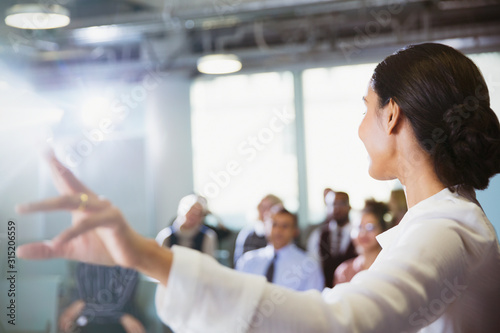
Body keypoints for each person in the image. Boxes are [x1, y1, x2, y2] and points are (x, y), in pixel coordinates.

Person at [15, 43, 500, 332]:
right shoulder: (444, 222)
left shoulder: (443, 232)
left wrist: (148, 256)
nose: (358, 128)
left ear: (391, 114)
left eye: (364, 107)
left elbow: (341, 324)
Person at [236, 208, 324, 291]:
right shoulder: (247, 261)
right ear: (265, 227)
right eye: (274, 224)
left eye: (285, 226)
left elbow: (313, 302)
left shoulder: (308, 265)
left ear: (295, 231)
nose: (278, 230)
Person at [58, 263, 144, 333]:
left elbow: (120, 306)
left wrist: (83, 306)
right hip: (90, 322)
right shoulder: (84, 265)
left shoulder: (127, 264)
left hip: (121, 325)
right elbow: (80, 301)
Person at [307, 190, 357, 288]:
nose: (337, 208)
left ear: (349, 206)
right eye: (333, 204)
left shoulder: (358, 234)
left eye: (341, 204)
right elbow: (312, 264)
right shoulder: (319, 235)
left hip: (354, 289)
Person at [333, 199, 389, 285]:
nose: (363, 233)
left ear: (383, 230)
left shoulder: (390, 267)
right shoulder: (344, 272)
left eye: (370, 227)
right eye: (359, 227)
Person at [233, 194, 283, 265]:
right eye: (263, 207)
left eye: (270, 207)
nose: (266, 212)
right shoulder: (250, 234)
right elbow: (241, 263)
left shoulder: (284, 233)